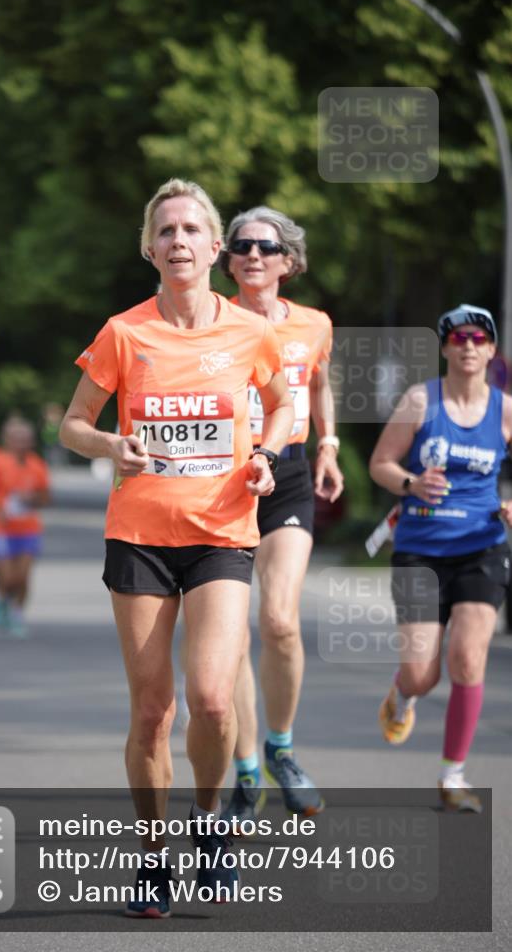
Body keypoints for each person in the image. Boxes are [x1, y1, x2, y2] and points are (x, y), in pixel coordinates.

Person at [60, 178, 294, 918]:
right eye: (166, 231)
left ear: (214, 246)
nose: (180, 241)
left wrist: (267, 455)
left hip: (222, 533)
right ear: (148, 248)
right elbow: (71, 423)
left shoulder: (249, 332)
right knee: (152, 712)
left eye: (192, 229)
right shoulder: (123, 333)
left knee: (213, 700)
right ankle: (154, 857)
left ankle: (211, 828)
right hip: (139, 537)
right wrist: (108, 444)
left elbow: (283, 405)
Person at [219, 206, 344, 826]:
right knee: (232, 633)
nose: (252, 255)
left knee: (281, 621)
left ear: (287, 262)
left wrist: (328, 443)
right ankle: (245, 770)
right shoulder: (212, 322)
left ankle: (282, 748)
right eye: (240, 245)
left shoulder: (314, 324)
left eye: (266, 247)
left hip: (289, 474)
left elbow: (318, 382)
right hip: (224, 482)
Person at [370, 304, 512, 812]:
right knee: (423, 674)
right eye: (458, 338)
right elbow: (380, 464)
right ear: (446, 348)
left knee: (468, 659)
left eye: (478, 337)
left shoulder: (505, 409)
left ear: (492, 349)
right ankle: (403, 694)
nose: (468, 345)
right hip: (419, 550)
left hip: (482, 547)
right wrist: (412, 483)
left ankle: (453, 776)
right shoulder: (420, 401)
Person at [0, 417, 50, 638]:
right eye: (17, 439)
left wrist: (32, 499)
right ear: (7, 440)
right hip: (1, 528)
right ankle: (3, 599)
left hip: (28, 528)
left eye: (26, 440)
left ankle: (16, 613)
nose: (22, 444)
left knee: (22, 576)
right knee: (6, 576)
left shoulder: (37, 465)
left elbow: (46, 498)